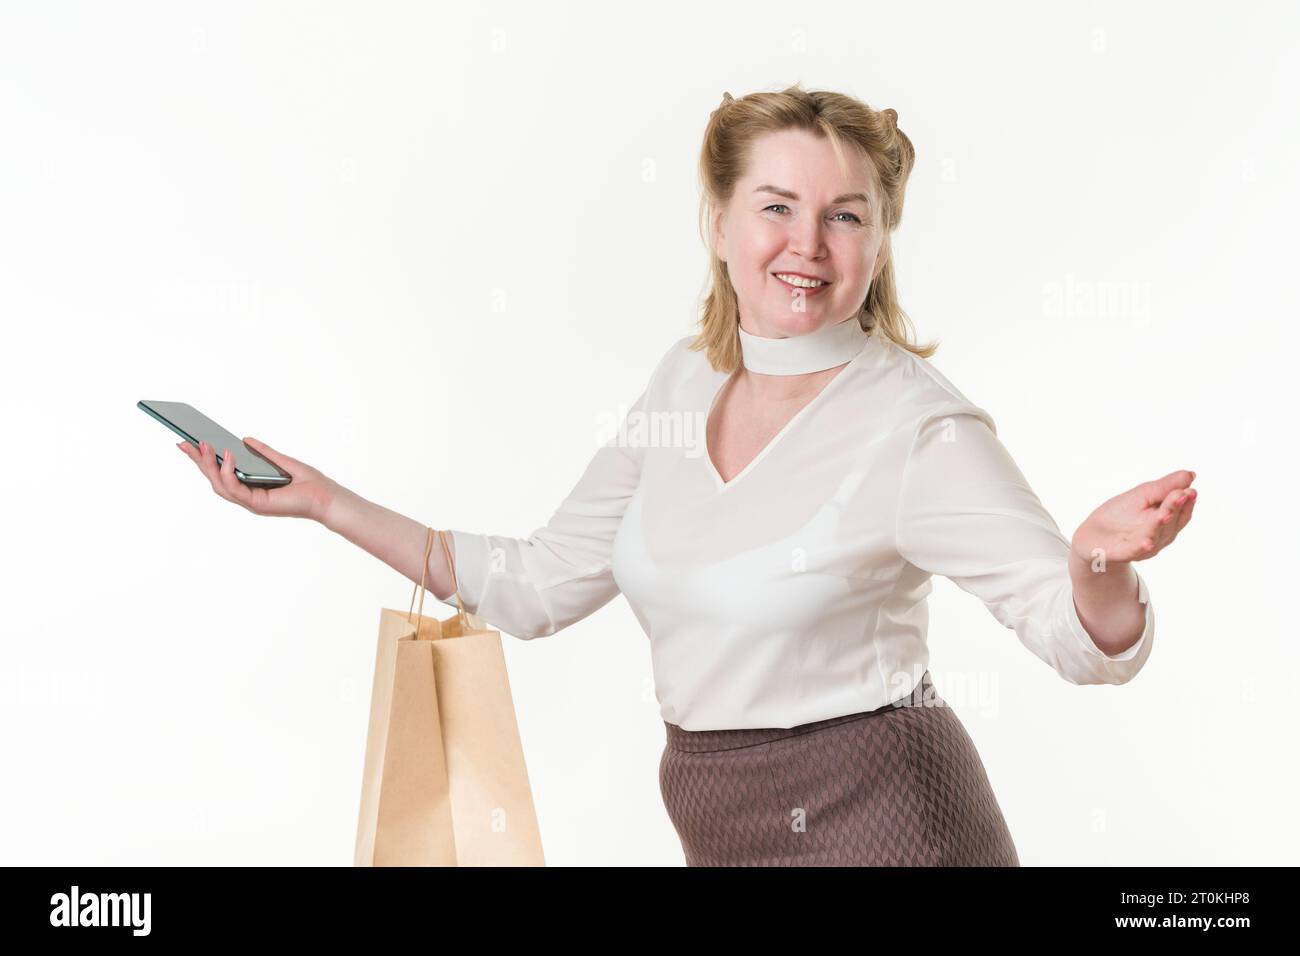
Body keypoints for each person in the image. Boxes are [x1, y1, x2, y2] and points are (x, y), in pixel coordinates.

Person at [180, 85, 1197, 866]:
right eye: (776, 206)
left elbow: (1082, 643)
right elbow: (536, 586)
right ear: (718, 223)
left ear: (879, 243)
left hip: (888, 821)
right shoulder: (684, 381)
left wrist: (1097, 562)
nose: (806, 244)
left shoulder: (915, 422)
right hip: (716, 820)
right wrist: (320, 501)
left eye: (845, 215)